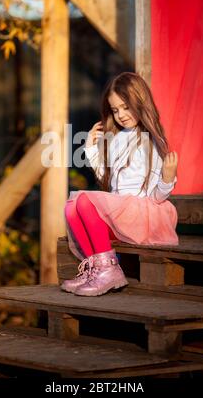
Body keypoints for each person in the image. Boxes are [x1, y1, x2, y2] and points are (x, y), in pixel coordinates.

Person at [61, 72, 179, 297]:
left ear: (140, 102)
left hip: (144, 215)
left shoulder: (152, 141)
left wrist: (167, 177)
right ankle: (96, 269)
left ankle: (109, 270)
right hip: (122, 213)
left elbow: (157, 198)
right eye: (115, 110)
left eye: (125, 107)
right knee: (71, 207)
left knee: (84, 200)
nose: (121, 115)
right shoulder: (117, 138)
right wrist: (90, 148)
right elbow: (108, 178)